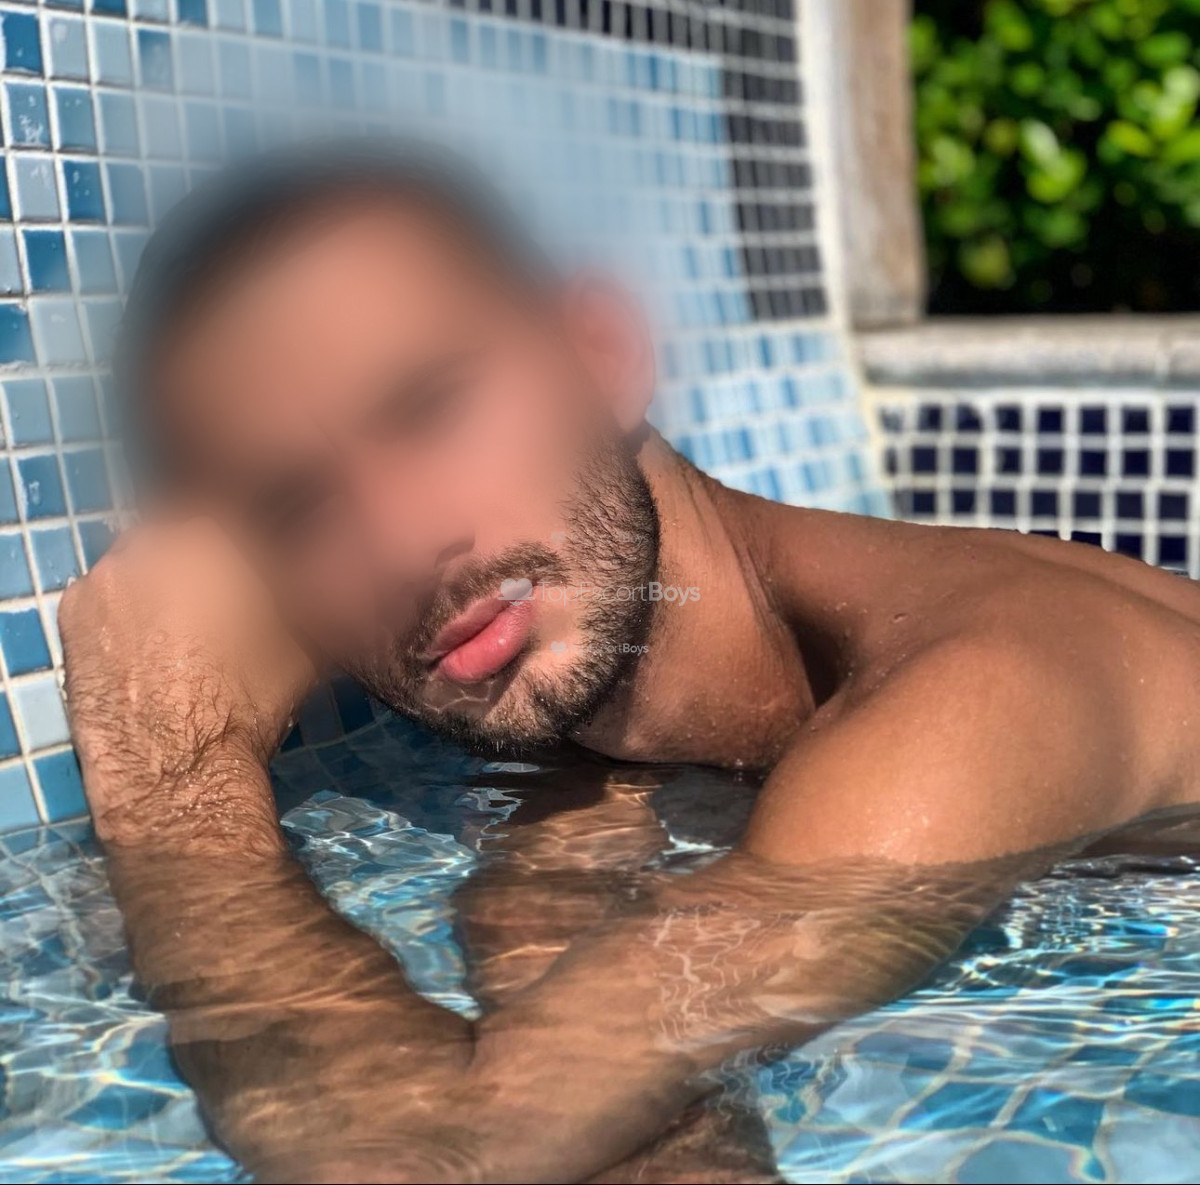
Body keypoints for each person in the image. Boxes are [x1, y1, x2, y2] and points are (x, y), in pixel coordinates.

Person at [59, 141, 1200, 1184]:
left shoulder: (970, 697)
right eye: (300, 508)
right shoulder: (574, 802)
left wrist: (170, 782)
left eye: (430, 405)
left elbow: (429, 1163)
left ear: (601, 354)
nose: (403, 543)